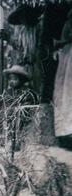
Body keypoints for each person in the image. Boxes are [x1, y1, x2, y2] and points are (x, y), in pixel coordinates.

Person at [54, 10, 72, 140]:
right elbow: (63, 40)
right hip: (68, 56)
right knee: (66, 91)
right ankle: (67, 128)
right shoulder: (67, 24)